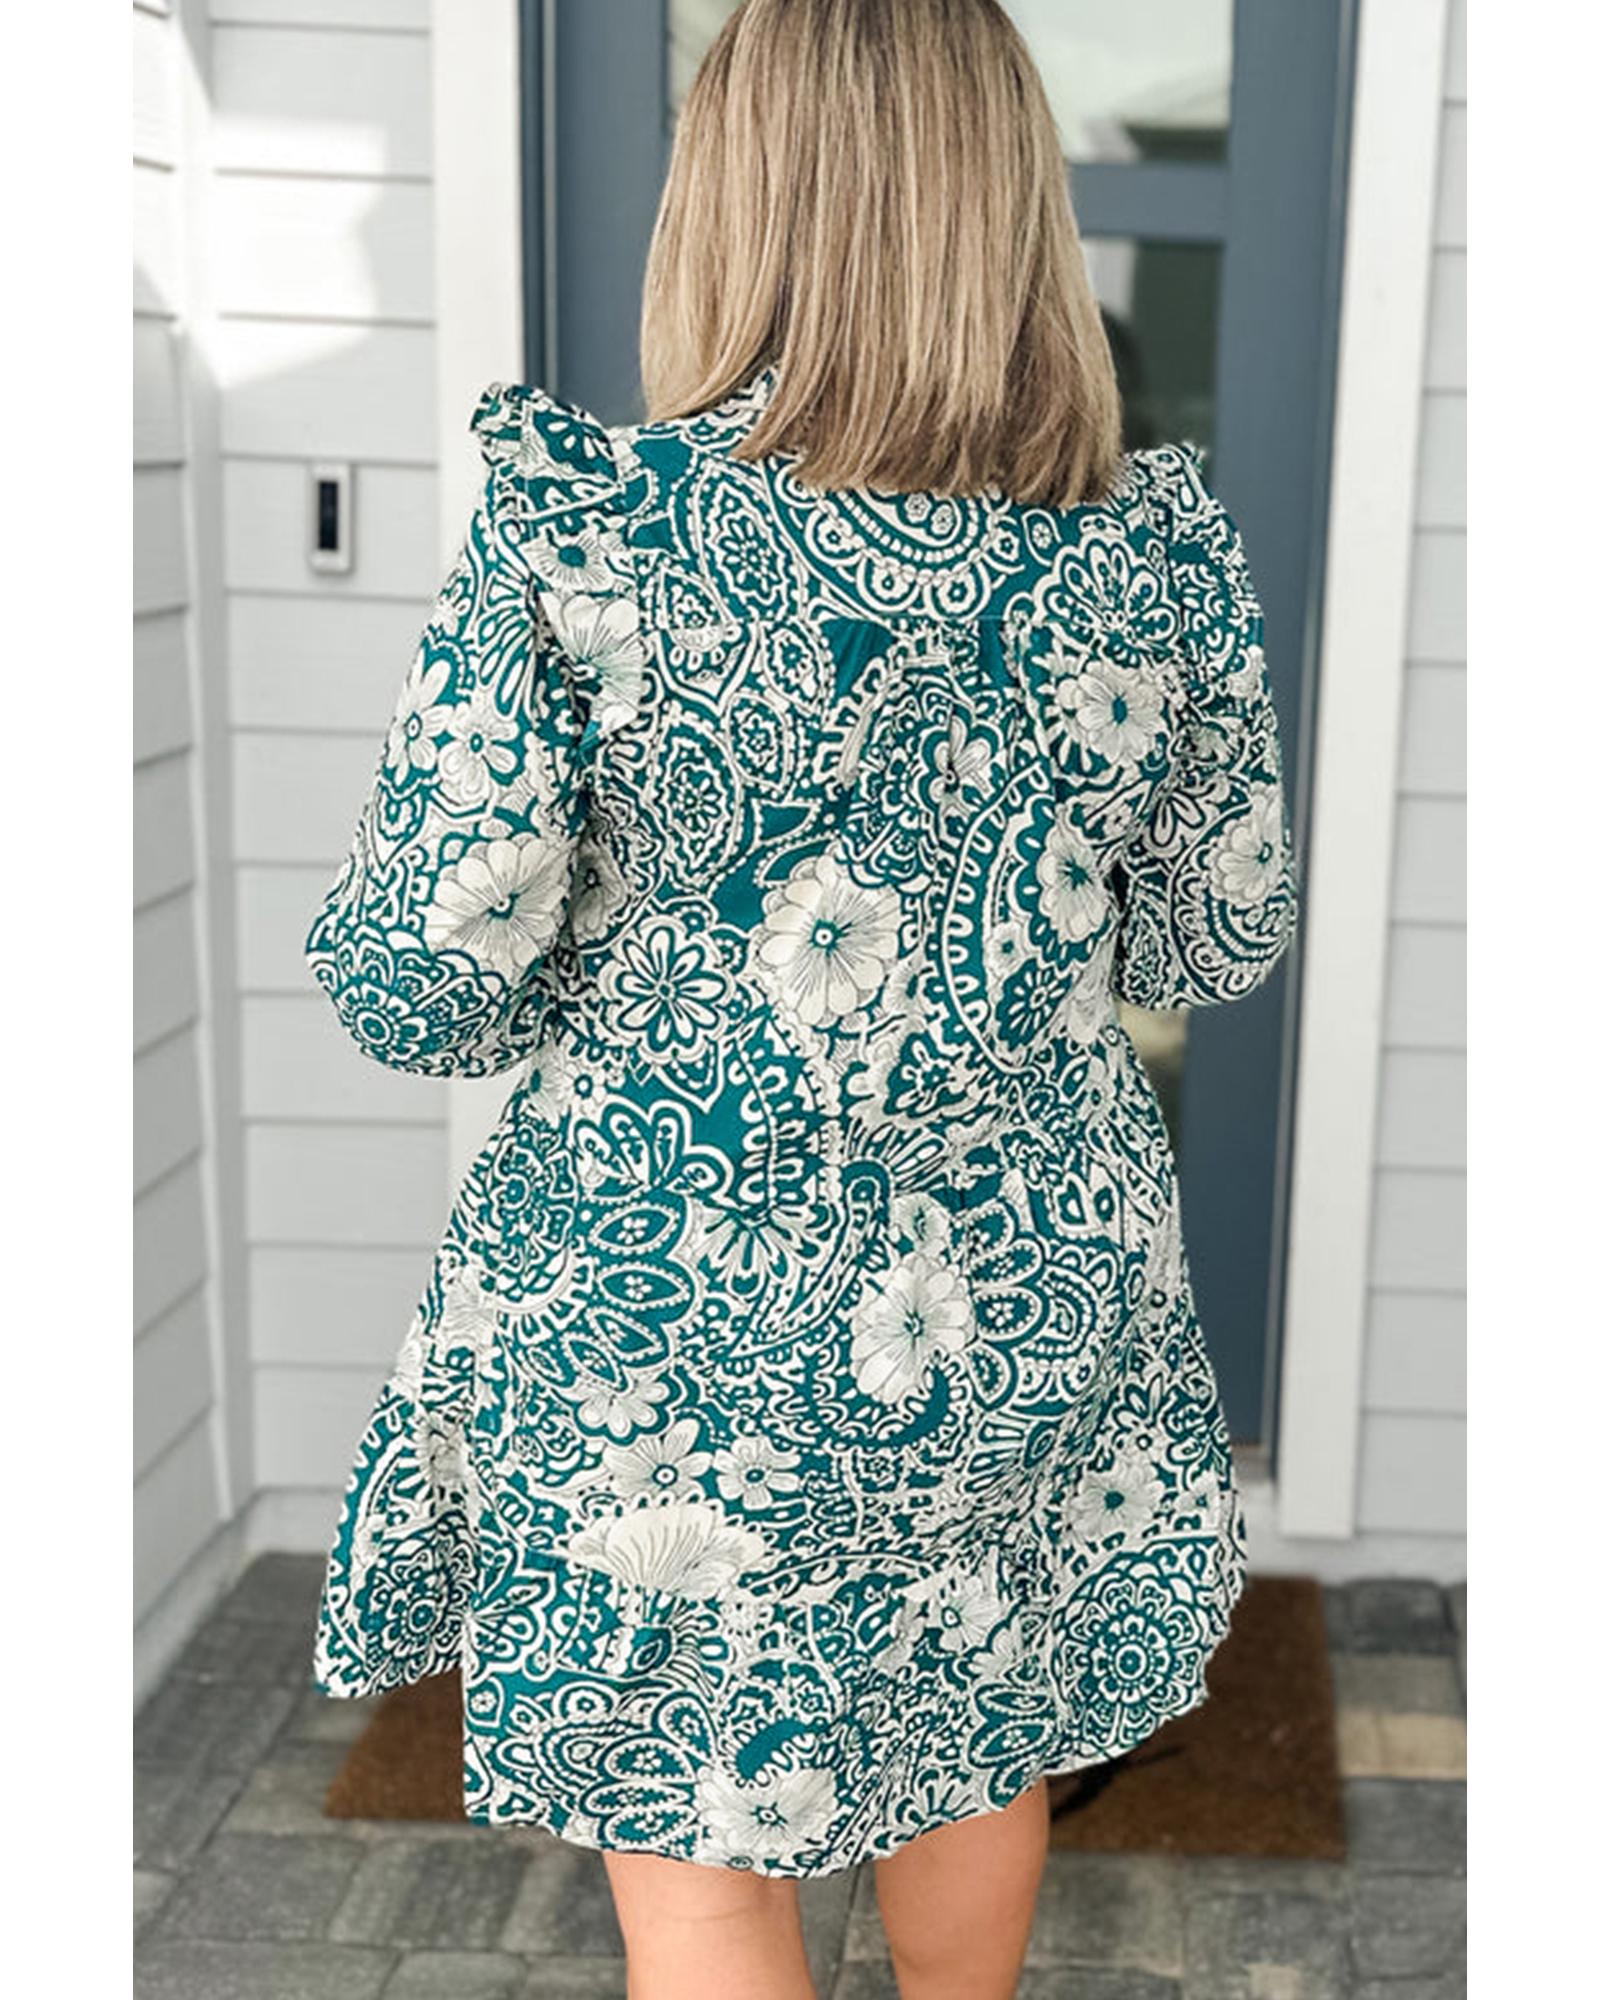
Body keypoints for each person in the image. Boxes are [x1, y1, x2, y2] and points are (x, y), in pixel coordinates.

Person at [303, 1, 1299, 1993]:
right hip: (1018, 1292)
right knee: (974, 1720)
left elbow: (423, 986)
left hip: (671, 1309)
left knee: (693, 1830)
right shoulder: (1149, 556)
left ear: (732, 205)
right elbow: (1215, 939)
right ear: (1008, 207)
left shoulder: (596, 532)